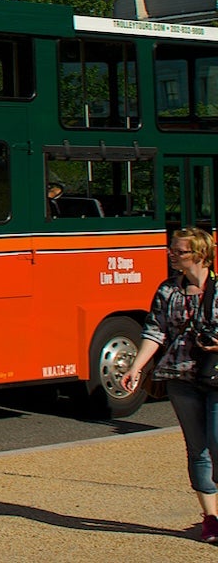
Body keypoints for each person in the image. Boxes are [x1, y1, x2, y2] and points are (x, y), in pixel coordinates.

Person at [122, 227, 218, 544]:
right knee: (197, 450)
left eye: (179, 251)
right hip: (180, 378)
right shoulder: (167, 291)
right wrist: (136, 367)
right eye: (172, 250)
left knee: (217, 443)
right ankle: (210, 519)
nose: (171, 255)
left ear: (200, 254)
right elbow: (155, 331)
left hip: (216, 377)